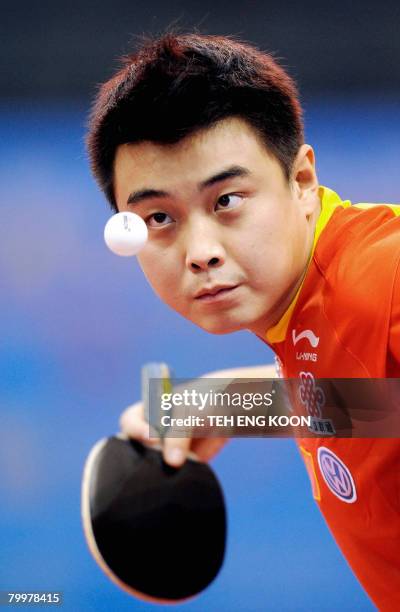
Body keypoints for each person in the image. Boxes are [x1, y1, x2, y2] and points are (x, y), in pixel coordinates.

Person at [86, 31, 400, 609]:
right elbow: (383, 404)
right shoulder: (317, 308)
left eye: (226, 200)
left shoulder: (384, 275)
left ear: (300, 181)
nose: (198, 250)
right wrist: (228, 401)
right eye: (158, 216)